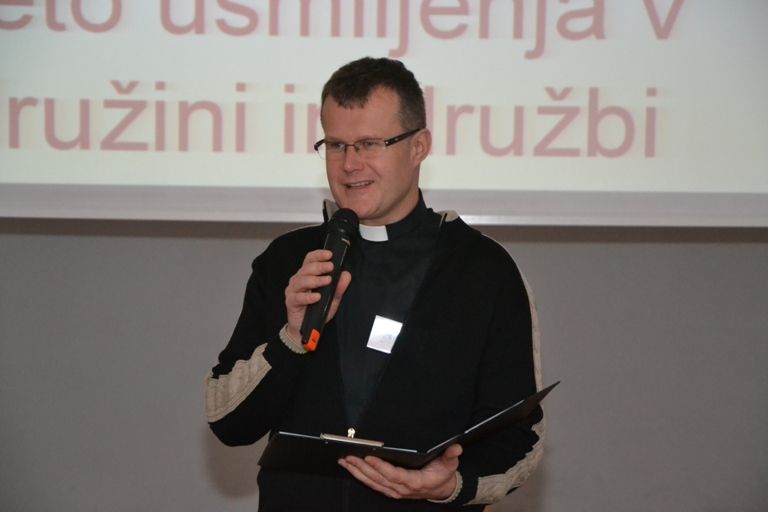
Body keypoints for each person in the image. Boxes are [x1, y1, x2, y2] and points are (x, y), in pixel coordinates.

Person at [205, 57, 544, 511]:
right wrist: (290, 339)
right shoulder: (288, 260)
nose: (350, 164)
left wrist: (451, 485)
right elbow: (228, 422)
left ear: (419, 146)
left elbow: (522, 438)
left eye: (369, 144)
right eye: (336, 145)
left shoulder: (484, 270)